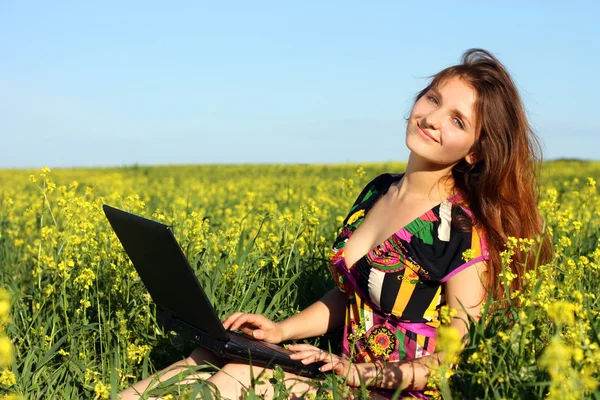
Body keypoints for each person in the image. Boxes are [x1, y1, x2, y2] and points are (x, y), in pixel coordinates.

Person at [120, 48, 551, 399]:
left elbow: (453, 359)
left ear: (475, 152)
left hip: (390, 391)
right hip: (340, 377)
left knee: (236, 378)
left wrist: (359, 373)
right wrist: (281, 330)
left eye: (457, 120)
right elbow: (352, 296)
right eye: (433, 99)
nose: (433, 118)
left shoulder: (461, 232)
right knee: (205, 355)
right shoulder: (379, 191)